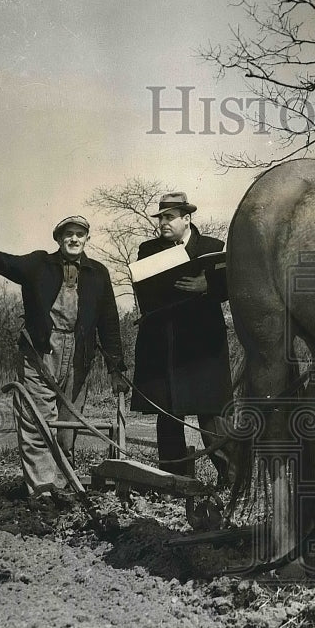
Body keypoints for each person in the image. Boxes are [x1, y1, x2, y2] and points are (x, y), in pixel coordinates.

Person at [0, 216, 129, 507]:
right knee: (37, 422)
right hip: (42, 352)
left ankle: (63, 487)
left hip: (80, 355)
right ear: (58, 239)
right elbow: (7, 263)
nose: (74, 239)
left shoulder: (98, 273)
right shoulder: (39, 264)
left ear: (87, 239)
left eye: (80, 234)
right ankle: (42, 489)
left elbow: (110, 324)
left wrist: (116, 369)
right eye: (68, 235)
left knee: (68, 427)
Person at [129, 192, 234, 486]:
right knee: (169, 413)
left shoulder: (213, 247)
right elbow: (145, 289)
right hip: (164, 344)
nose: (163, 223)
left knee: (212, 413)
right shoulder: (148, 249)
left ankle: (232, 477)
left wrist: (208, 284)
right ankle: (174, 481)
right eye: (160, 217)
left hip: (202, 347)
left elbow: (232, 286)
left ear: (187, 219)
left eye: (169, 217)